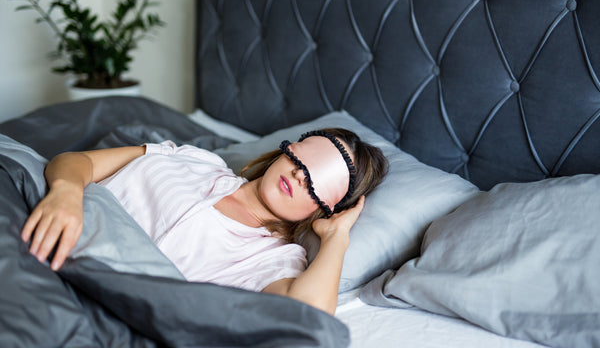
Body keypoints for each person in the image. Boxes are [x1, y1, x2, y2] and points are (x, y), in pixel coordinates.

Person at [20, 128, 388, 315]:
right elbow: (77, 162)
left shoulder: (274, 259)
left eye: (316, 185)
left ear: (327, 208)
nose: (299, 178)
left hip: (78, 295)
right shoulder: (197, 160)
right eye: (302, 162)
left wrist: (337, 238)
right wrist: (66, 193)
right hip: (34, 226)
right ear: (289, 148)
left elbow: (307, 317)